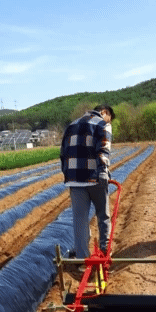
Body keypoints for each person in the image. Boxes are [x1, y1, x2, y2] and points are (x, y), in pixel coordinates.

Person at [60, 104, 115, 261]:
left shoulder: (71, 125)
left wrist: (68, 174)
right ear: (104, 112)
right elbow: (104, 149)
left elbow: (63, 153)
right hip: (94, 177)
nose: (108, 120)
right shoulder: (102, 124)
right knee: (103, 216)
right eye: (109, 117)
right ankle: (105, 252)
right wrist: (103, 172)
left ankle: (82, 257)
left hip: (74, 180)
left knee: (79, 219)